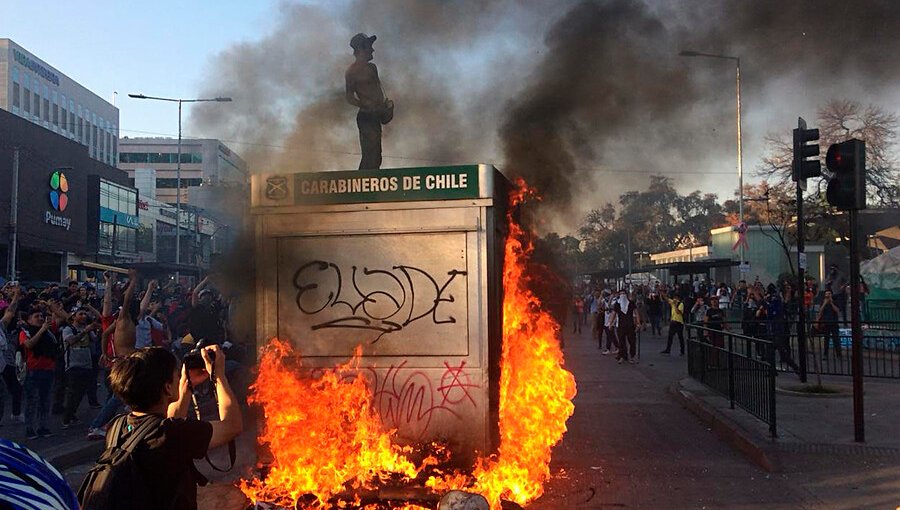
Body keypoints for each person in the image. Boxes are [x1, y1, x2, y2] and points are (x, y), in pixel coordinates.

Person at [80, 346, 243, 510]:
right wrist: (219, 376)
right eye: (176, 374)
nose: (179, 377)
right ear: (167, 387)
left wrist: (185, 386)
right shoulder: (171, 434)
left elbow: (168, 421)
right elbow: (232, 426)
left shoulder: (117, 426)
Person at [345, 32, 393, 170]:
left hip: (375, 115)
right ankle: (362, 187)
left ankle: (368, 185)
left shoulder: (372, 68)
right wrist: (365, 105)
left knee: (376, 156)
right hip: (366, 116)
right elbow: (349, 97)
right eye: (369, 47)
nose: (372, 49)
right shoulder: (351, 71)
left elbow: (379, 92)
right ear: (361, 49)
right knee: (370, 156)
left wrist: (385, 107)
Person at [19, 308, 59, 439]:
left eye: (41, 316)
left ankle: (43, 426)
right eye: (37, 316)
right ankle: (29, 428)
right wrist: (41, 330)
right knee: (32, 401)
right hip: (33, 371)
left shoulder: (49, 333)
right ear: (29, 320)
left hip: (48, 370)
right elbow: (29, 345)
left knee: (45, 400)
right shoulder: (25, 332)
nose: (40, 318)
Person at [61, 309, 101, 428]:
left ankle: (72, 414)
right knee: (73, 392)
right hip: (73, 365)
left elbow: (95, 340)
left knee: (81, 392)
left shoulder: (87, 330)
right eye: (80, 314)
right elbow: (71, 340)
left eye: (85, 314)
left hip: (86, 364)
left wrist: (97, 330)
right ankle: (66, 418)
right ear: (74, 317)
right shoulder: (68, 329)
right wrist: (85, 331)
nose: (84, 316)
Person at [0, 284, 24, 424]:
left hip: (4, 365)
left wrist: (15, 296)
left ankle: (15, 414)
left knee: (12, 390)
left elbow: (10, 311)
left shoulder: (1, 326)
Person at [615, 290, 640, 364]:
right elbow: (613, 313)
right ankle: (623, 356)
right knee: (621, 341)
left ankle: (632, 356)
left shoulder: (631, 303)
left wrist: (638, 323)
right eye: (621, 294)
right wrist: (610, 323)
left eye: (624, 294)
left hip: (630, 325)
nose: (622, 295)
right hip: (621, 325)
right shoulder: (617, 304)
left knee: (632, 341)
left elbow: (636, 312)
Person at [816, 289, 842, 360]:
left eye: (829, 294)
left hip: (834, 323)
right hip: (826, 323)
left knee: (836, 339)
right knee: (826, 340)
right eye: (826, 294)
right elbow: (820, 311)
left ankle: (839, 355)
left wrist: (831, 302)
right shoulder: (823, 302)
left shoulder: (835, 302)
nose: (828, 295)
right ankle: (825, 354)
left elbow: (837, 311)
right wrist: (825, 303)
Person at [660, 289, 685, 356]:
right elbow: (667, 299)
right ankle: (668, 349)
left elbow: (679, 312)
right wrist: (663, 294)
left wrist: (675, 305)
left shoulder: (681, 304)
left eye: (676, 298)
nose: (675, 299)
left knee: (680, 337)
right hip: (673, 321)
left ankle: (682, 350)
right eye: (674, 298)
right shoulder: (672, 303)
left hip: (679, 322)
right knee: (670, 336)